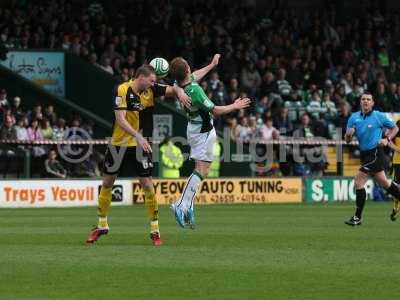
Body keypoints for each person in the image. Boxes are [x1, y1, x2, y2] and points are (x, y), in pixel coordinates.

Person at [86, 64, 190, 246]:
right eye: (151, 80)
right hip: (119, 143)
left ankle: (155, 230)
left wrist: (179, 92)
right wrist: (139, 136)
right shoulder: (122, 89)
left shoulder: (151, 89)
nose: (153, 84)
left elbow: (175, 87)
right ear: (140, 77)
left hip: (139, 145)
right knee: (107, 182)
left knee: (147, 185)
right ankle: (101, 225)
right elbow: (120, 119)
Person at [169, 54, 251, 228]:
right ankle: (181, 204)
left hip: (194, 127)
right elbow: (215, 110)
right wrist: (234, 106)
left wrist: (212, 64)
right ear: (187, 70)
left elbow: (195, 75)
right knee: (202, 170)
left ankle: (188, 206)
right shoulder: (195, 91)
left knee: (202, 171)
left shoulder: (180, 85)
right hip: (203, 130)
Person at [344, 93, 400, 226]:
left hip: (376, 154)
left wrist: (386, 140)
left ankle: (357, 217)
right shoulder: (353, 117)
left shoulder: (378, 116)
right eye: (363, 99)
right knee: (385, 183)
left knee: (358, 180)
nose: (366, 101)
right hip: (365, 155)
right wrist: (348, 135)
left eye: (368, 99)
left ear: (372, 103)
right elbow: (347, 139)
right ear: (360, 102)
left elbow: (395, 128)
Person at [387, 119, 400, 220]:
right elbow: (388, 139)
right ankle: (396, 208)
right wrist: (396, 148)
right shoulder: (398, 123)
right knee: (397, 187)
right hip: (398, 162)